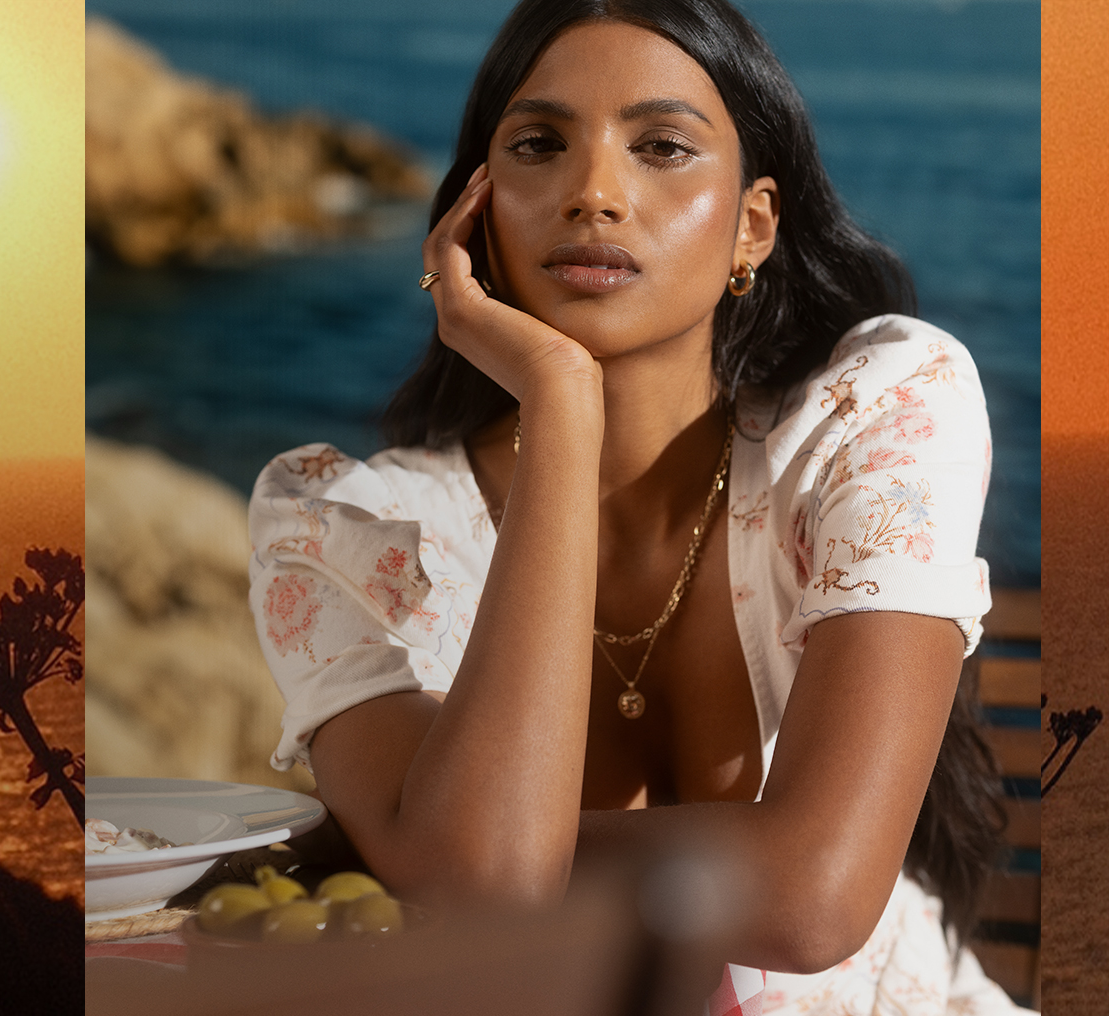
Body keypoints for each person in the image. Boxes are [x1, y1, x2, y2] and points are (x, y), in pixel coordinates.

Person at [245, 0, 1026, 1011]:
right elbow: (489, 884)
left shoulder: (872, 413)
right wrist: (561, 403)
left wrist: (443, 848)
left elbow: (812, 898)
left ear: (752, 227)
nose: (593, 193)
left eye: (661, 146)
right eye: (539, 145)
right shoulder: (338, 525)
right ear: (479, 213)